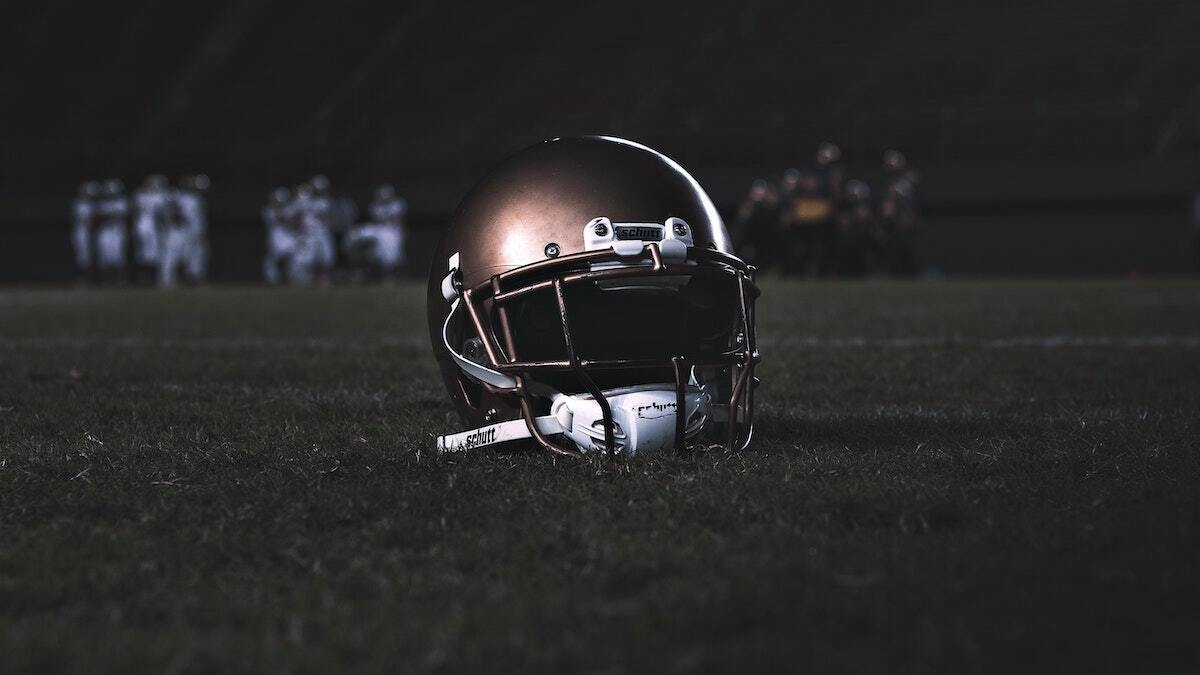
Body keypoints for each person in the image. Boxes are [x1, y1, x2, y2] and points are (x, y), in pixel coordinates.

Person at [345, 184, 408, 282]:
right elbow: (375, 222)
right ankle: (356, 266)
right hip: (379, 229)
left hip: (392, 230)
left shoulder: (397, 205)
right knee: (353, 235)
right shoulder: (375, 206)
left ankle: (389, 275)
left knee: (391, 255)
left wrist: (402, 233)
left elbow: (400, 221)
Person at [732, 179, 780, 274]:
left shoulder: (769, 207)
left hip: (766, 238)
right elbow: (742, 221)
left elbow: (773, 221)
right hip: (750, 238)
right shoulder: (748, 206)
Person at [132, 174, 170, 284]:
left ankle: (152, 277)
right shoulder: (143, 195)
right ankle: (147, 277)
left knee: (151, 252)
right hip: (148, 226)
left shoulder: (142, 195)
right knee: (147, 252)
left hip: (146, 226)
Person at [94, 179, 129, 283]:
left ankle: (120, 278)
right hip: (104, 231)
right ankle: (105, 279)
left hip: (118, 231)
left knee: (118, 255)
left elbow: (123, 217)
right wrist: (108, 216)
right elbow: (98, 218)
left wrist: (108, 216)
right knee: (104, 255)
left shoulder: (122, 202)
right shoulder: (101, 203)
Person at [262, 187, 296, 285]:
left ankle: (289, 278)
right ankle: (271, 279)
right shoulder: (268, 210)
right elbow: (279, 218)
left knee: (291, 257)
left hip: (288, 236)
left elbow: (294, 221)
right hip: (275, 237)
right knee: (273, 258)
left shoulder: (289, 209)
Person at [71, 181, 100, 282]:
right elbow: (85, 220)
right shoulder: (79, 204)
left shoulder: (93, 205)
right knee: (83, 255)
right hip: (82, 232)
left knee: (95, 255)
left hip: (92, 232)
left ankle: (94, 278)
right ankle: (82, 278)